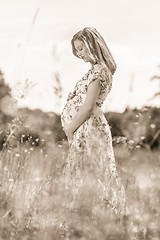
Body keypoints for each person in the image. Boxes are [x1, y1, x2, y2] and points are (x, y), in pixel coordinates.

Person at [61, 27, 126, 220]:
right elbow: (86, 99)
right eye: (77, 51)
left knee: (91, 172)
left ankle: (96, 218)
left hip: (89, 129)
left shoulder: (98, 71)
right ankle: (93, 217)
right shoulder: (96, 70)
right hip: (86, 128)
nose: (79, 54)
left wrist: (70, 129)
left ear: (92, 45)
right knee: (91, 171)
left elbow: (89, 106)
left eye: (81, 49)